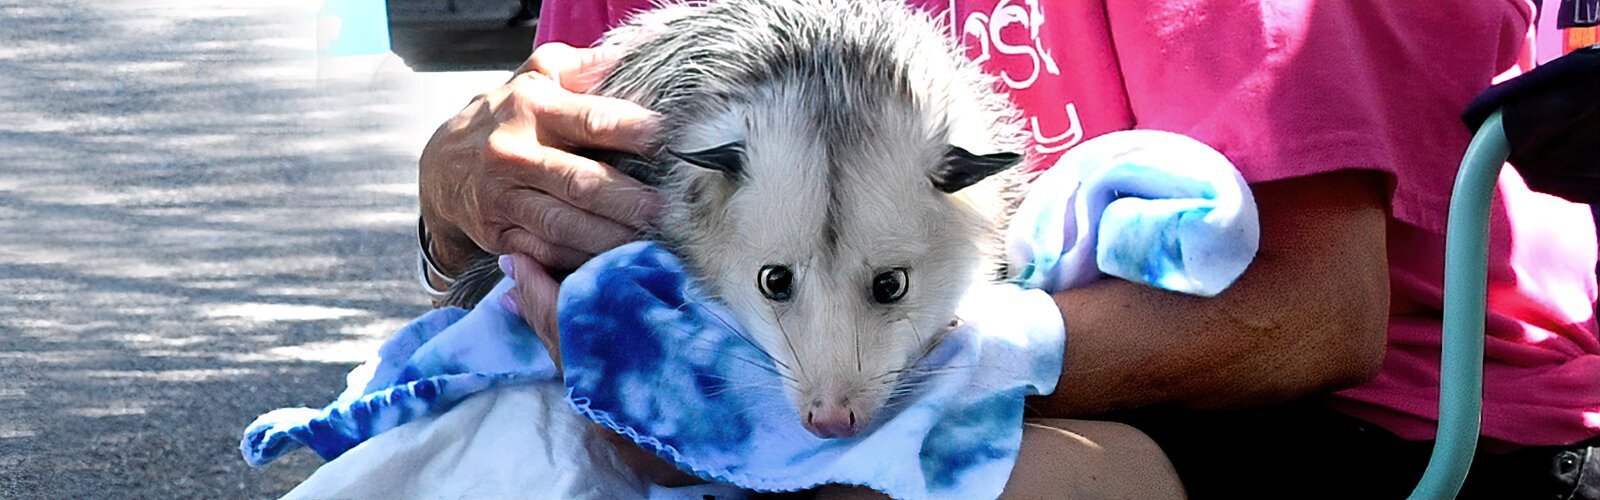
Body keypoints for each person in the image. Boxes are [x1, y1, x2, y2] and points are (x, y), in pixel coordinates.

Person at [416, 0, 1600, 498]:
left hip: (1354, 415)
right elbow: (570, 226)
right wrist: (460, 199)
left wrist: (778, 408)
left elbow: (1301, 317)